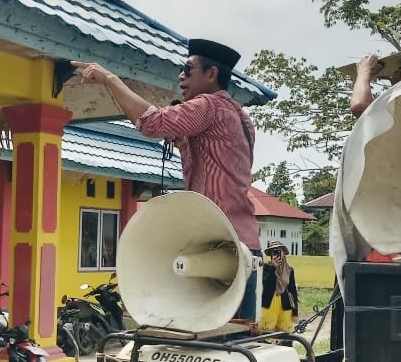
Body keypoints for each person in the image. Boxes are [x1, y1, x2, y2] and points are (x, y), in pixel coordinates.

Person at [71, 38, 262, 321]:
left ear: (211, 74)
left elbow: (152, 122)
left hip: (220, 242)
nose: (181, 77)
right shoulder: (241, 118)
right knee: (238, 341)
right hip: (247, 247)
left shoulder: (207, 106)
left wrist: (110, 79)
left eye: (188, 70)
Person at [259, 241, 298, 333]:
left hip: (285, 304)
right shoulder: (265, 268)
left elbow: (293, 291)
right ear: (271, 254)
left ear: (283, 253)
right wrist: (273, 267)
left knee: (284, 332)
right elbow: (266, 284)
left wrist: (295, 313)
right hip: (268, 303)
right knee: (266, 331)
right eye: (274, 251)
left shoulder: (289, 270)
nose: (276, 253)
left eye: (279, 251)